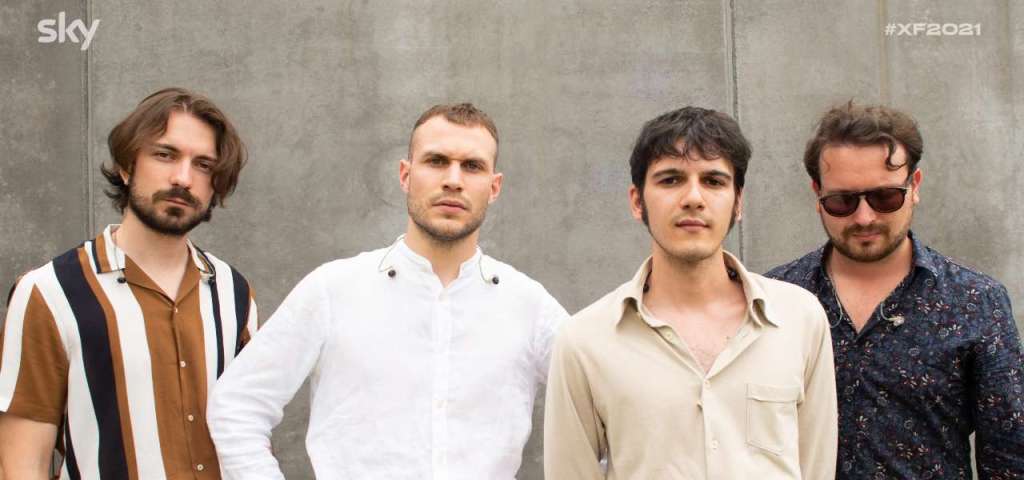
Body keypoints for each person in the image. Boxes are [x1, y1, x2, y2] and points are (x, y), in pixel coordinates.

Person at [207, 103, 568, 479]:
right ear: (405, 175)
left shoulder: (529, 306)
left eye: (472, 166)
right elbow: (237, 405)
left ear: (494, 187)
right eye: (436, 161)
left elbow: (601, 406)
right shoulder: (334, 290)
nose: (453, 180)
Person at [544, 106, 838, 479]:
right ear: (637, 201)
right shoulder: (585, 340)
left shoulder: (799, 319)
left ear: (738, 202)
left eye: (713, 181)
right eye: (671, 180)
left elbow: (817, 467)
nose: (693, 198)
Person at [0, 87, 257, 479]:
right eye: (165, 154)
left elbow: (248, 432)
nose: (183, 178)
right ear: (126, 165)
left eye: (203, 165)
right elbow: (23, 463)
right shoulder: (50, 292)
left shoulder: (232, 292)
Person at [767, 102, 1024, 479]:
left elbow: (1010, 456)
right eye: (842, 201)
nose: (864, 217)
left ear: (914, 186)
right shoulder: (775, 299)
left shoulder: (975, 300)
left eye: (885, 197)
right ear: (817, 195)